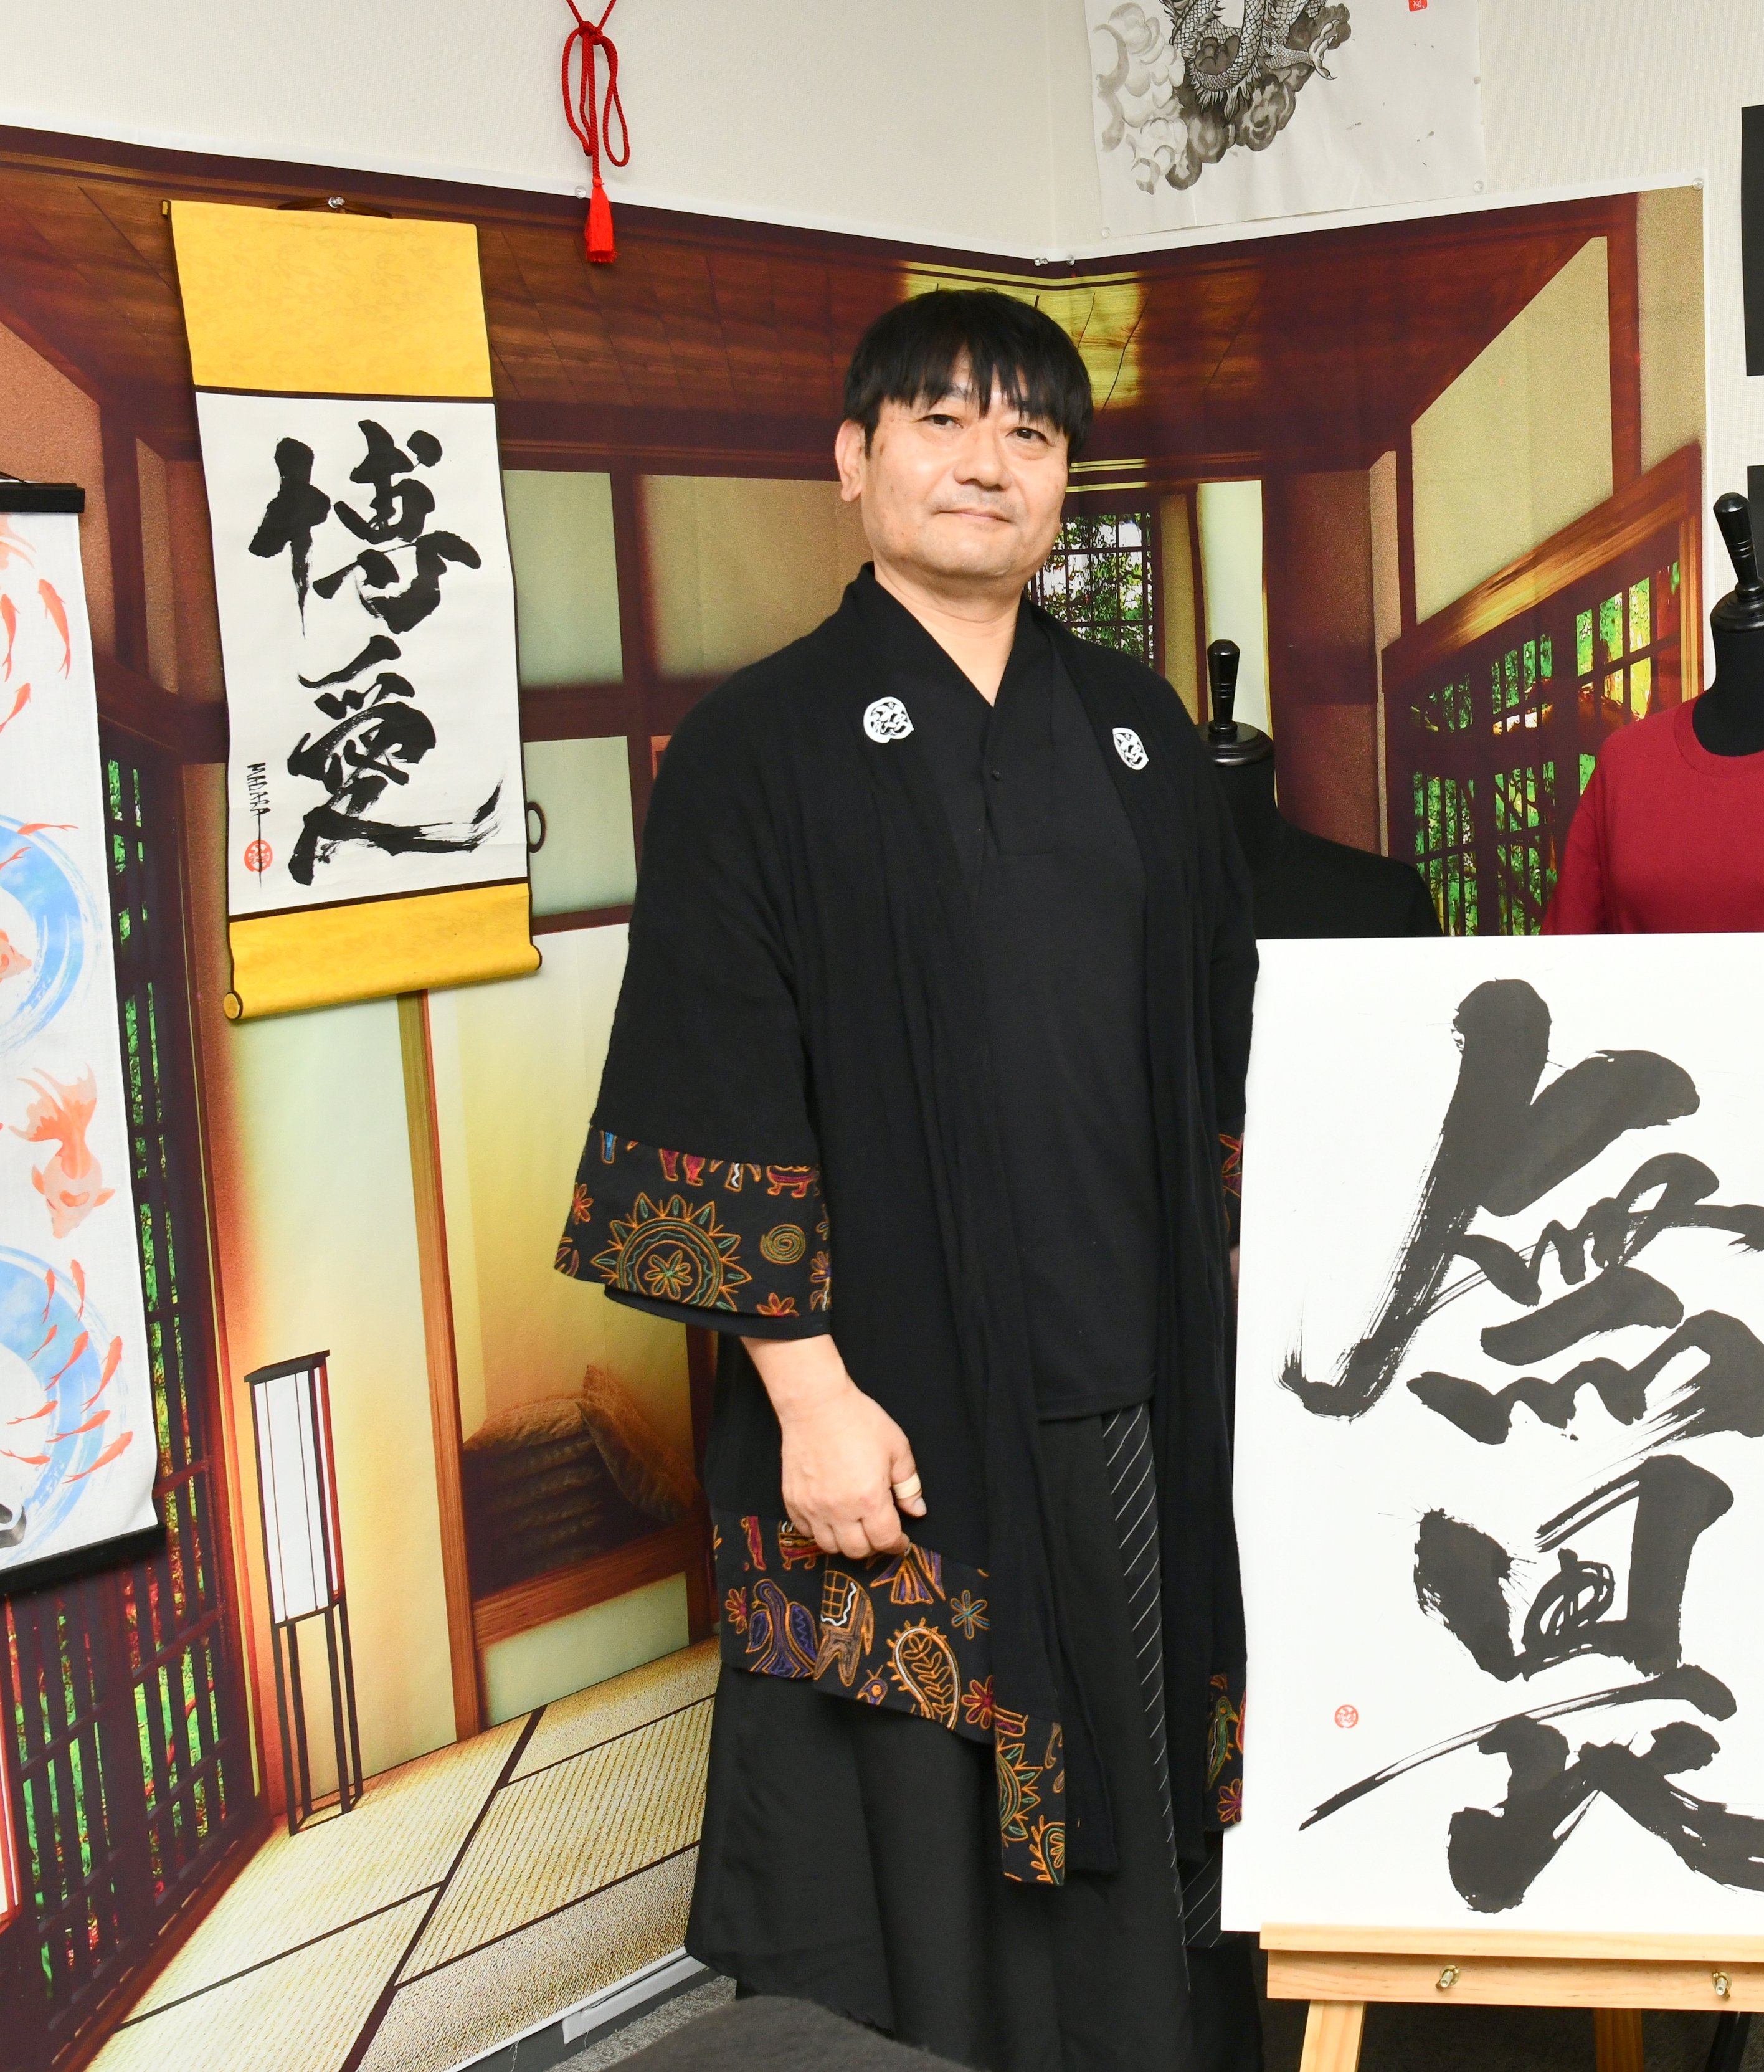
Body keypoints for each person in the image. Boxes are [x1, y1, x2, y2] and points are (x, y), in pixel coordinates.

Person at [552, 289, 1259, 2072]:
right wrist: (808, 1398)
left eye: (1030, 435)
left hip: (1138, 1374)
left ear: (1062, 491)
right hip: (897, 1401)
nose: (987, 464)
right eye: (941, 422)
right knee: (932, 1845)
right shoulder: (760, 746)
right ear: (854, 462)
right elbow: (706, 1083)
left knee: (1141, 1785)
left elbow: (1221, 1047)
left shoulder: (1137, 728)